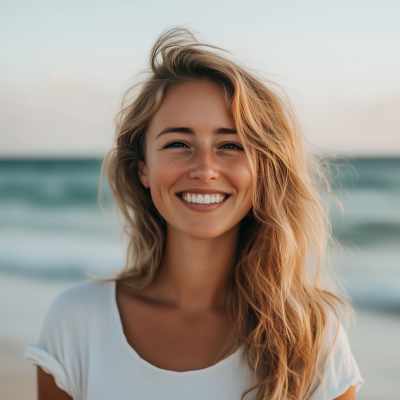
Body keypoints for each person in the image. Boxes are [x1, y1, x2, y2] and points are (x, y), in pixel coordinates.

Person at [25, 28, 363, 400]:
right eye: (178, 143)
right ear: (144, 169)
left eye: (231, 145)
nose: (204, 169)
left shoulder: (312, 336)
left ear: (263, 168)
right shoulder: (76, 322)